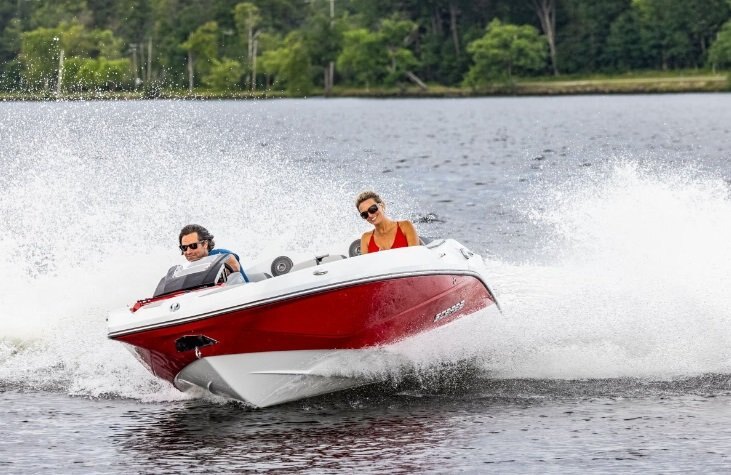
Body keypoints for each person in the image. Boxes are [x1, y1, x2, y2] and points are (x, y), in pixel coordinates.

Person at [178, 224, 249, 283]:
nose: (188, 252)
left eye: (193, 246)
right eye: (184, 247)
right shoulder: (188, 268)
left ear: (205, 244)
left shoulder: (220, 254)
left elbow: (234, 265)